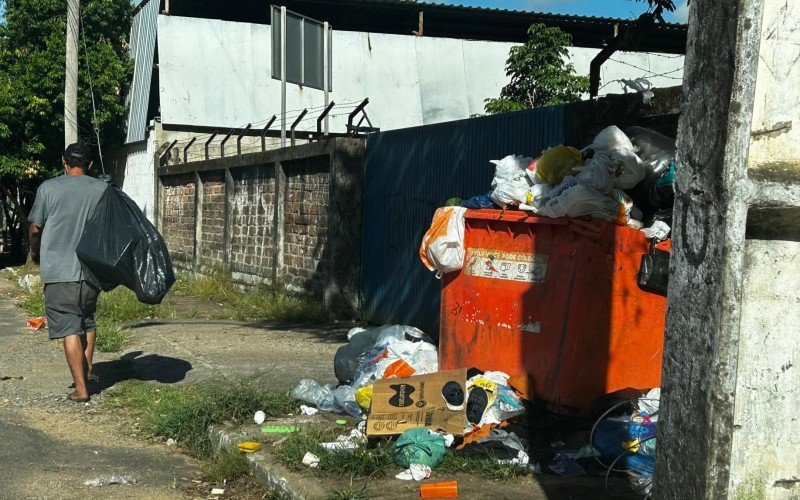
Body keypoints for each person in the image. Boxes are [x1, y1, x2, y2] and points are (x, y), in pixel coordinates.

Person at [28, 142, 109, 403]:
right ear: (91, 165)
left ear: (64, 161)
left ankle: (81, 388)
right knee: (87, 320)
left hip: (59, 271)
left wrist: (34, 252)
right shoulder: (103, 190)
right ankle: (87, 372)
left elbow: (35, 228)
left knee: (69, 327)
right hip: (91, 272)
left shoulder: (48, 188)